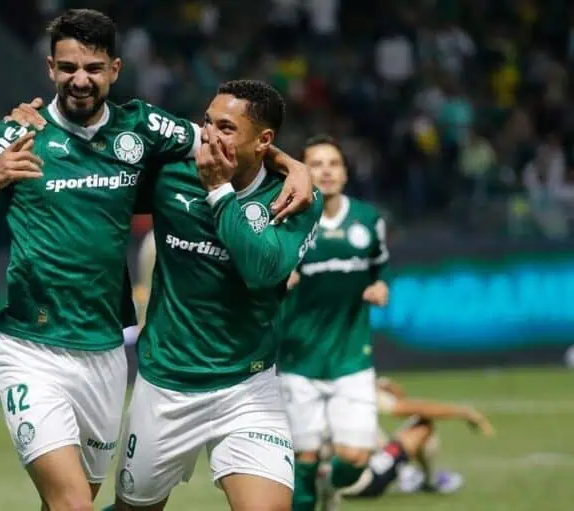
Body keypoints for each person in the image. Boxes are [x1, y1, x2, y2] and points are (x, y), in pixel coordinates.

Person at [0, 9, 312, 511]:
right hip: (32, 346)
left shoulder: (145, 129)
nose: (80, 80)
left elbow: (230, 140)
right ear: (50, 69)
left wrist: (292, 163)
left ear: (114, 68)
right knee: (73, 504)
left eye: (92, 68)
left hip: (107, 351)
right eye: (68, 68)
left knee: (74, 501)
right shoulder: (17, 135)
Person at [106, 80, 322, 511]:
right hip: (166, 384)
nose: (209, 135)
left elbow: (263, 271)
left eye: (226, 127)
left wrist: (220, 192)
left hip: (247, 386)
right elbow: (117, 136)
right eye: (207, 122)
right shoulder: (172, 173)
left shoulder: (293, 197)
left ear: (263, 141)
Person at [277, 135, 390, 511]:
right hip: (299, 358)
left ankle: (333, 482)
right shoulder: (286, 219)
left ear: (344, 172)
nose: (326, 171)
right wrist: (279, 279)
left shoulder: (368, 220)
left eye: (334, 163)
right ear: (302, 172)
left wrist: (379, 286)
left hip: (351, 357)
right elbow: (261, 275)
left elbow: (380, 267)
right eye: (317, 164)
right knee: (303, 463)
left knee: (356, 459)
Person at [336, 376, 495, 499]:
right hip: (361, 481)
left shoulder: (318, 386)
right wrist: (465, 412)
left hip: (327, 480)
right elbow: (412, 408)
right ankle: (428, 482)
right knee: (422, 425)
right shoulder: (353, 385)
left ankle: (406, 472)